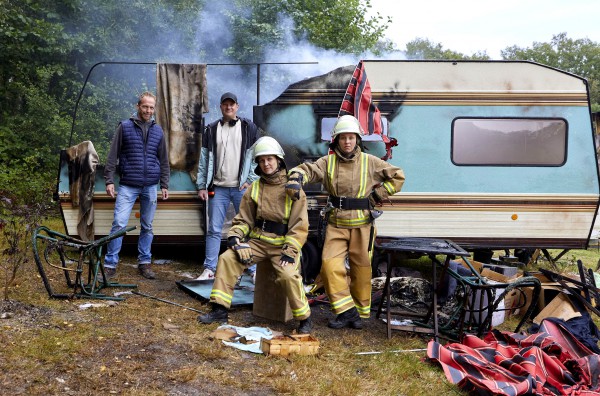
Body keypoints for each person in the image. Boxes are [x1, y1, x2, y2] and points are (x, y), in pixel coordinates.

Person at [285, 115, 405, 329]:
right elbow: (308, 169)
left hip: (362, 225)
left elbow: (398, 176)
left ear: (357, 140)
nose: (347, 142)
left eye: (351, 137)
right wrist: (295, 177)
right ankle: (346, 310)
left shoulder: (371, 162)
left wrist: (379, 193)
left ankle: (358, 313)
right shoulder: (328, 162)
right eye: (343, 138)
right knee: (330, 266)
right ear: (336, 141)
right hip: (336, 225)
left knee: (362, 269)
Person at [198, 136, 312, 334]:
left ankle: (304, 318)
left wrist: (290, 251)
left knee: (288, 275)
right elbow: (244, 220)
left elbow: (299, 226)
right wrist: (235, 238)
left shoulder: (294, 189)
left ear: (279, 160)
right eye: (261, 160)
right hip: (258, 242)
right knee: (227, 259)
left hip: (282, 246)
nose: (266, 164)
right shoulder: (255, 187)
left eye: (269, 159)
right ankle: (219, 309)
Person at [103, 91, 170, 280]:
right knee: (119, 224)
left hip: (150, 186)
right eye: (145, 106)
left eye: (151, 107)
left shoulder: (158, 131)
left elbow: (164, 160)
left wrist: (164, 184)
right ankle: (110, 265)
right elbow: (112, 155)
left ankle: (144, 263)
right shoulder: (124, 127)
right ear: (138, 106)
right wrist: (109, 180)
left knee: (147, 226)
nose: (148, 110)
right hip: (128, 185)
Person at [196, 92, 260, 281]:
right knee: (214, 229)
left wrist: (251, 179)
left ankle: (252, 268)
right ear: (221, 107)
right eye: (225, 104)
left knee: (248, 227)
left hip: (241, 188)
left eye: (232, 104)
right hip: (218, 188)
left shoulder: (249, 127)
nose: (229, 107)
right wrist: (202, 185)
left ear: (237, 107)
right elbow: (204, 159)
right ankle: (209, 269)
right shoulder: (211, 129)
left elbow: (258, 156)